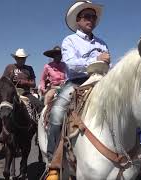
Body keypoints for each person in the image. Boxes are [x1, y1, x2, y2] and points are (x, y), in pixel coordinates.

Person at [46, 0, 110, 162]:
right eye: (86, 16)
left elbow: (107, 64)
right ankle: (53, 158)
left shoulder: (102, 42)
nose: (90, 20)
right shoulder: (69, 41)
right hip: (76, 82)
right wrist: (96, 58)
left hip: (100, 80)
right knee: (57, 113)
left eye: (93, 17)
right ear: (78, 20)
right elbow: (72, 64)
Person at [0, 48, 43, 152]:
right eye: (19, 58)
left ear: (25, 59)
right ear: (16, 58)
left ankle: (39, 134)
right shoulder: (9, 67)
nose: (21, 60)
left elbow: (33, 83)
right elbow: (3, 81)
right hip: (11, 94)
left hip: (25, 93)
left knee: (40, 106)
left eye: (23, 58)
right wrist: (11, 82)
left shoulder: (29, 68)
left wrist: (23, 82)